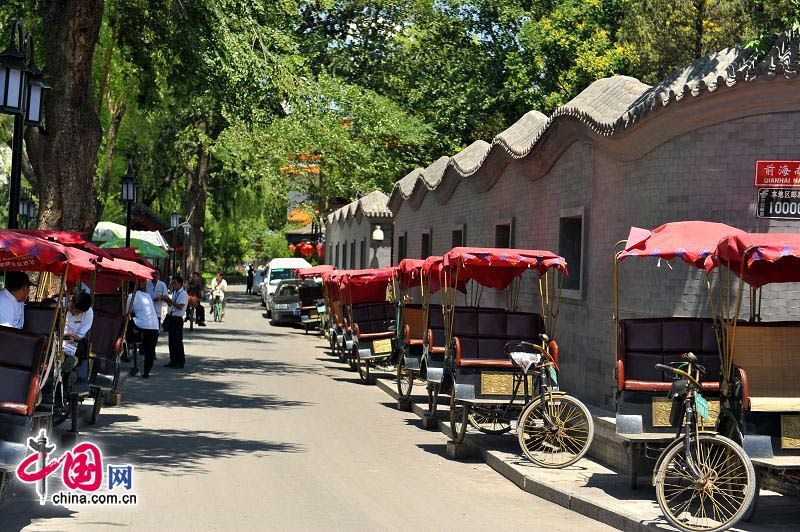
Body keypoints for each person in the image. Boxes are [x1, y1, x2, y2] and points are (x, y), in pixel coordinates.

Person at [63, 292, 94, 393]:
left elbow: (81, 334)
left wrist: (72, 337)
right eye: (72, 308)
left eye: (78, 312)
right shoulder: (62, 303)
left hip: (74, 339)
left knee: (79, 349)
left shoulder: (88, 313)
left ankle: (72, 364)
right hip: (59, 336)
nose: (74, 312)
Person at [127, 283, 159, 378]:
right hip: (154, 325)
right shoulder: (147, 295)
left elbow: (126, 312)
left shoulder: (130, 296)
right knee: (150, 351)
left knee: (129, 323)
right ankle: (146, 372)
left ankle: (130, 343)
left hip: (141, 324)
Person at [164, 276, 188, 368]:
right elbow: (172, 305)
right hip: (172, 317)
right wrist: (167, 301)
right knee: (171, 341)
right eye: (172, 283)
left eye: (174, 283)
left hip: (178, 319)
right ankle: (173, 360)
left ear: (180, 284)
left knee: (177, 341)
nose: (172, 285)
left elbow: (180, 306)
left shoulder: (183, 293)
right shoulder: (175, 292)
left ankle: (180, 361)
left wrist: (171, 301)